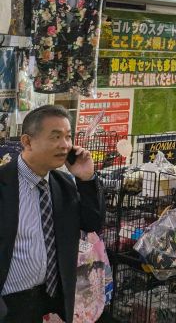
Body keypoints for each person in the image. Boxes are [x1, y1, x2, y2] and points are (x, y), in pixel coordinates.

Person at [0, 105, 105, 323]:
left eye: (68, 136)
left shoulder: (64, 184)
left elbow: (92, 223)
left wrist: (86, 179)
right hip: (9, 303)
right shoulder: (4, 183)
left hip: (53, 299)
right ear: (27, 141)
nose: (65, 145)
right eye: (55, 137)